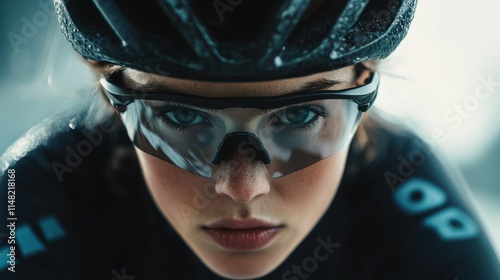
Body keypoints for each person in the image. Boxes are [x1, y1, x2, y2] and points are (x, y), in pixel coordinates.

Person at [1, 0, 499, 279]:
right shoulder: (33, 193)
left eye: (301, 115)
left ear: (368, 80)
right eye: (179, 116)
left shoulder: (405, 192)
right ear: (113, 97)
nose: (243, 188)